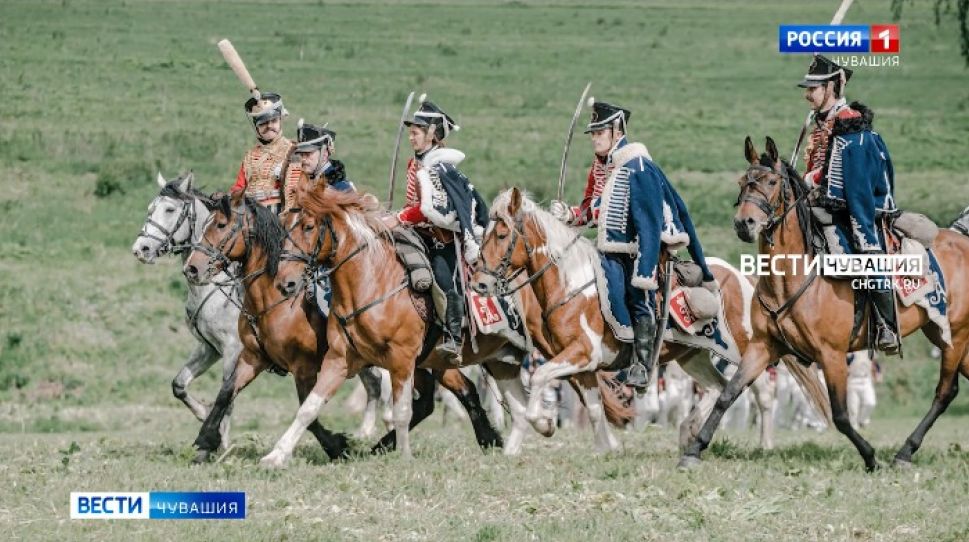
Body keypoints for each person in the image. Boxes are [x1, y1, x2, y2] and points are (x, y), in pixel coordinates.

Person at [549, 100, 715, 390]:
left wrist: (646, 267)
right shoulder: (600, 168)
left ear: (617, 131)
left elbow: (648, 222)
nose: (595, 137)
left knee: (640, 298)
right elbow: (592, 210)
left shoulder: (637, 165)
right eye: (593, 132)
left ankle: (641, 363)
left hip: (640, 249)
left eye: (600, 131)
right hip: (607, 248)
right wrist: (570, 214)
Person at [798, 57, 900, 353]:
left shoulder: (849, 122)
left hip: (855, 202)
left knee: (866, 250)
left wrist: (814, 181)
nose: (807, 94)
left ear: (831, 87)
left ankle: (886, 324)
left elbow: (849, 177)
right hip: (821, 201)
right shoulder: (821, 120)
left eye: (813, 88)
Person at [391, 96, 489, 364]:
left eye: (416, 132)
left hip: (441, 240)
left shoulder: (440, 167)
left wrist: (399, 216)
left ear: (432, 135)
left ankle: (454, 337)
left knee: (445, 282)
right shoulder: (417, 163)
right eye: (411, 132)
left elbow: (429, 209)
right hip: (417, 234)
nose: (411, 137)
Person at [229, 92, 301, 213]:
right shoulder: (250, 156)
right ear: (256, 128)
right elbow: (239, 187)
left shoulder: (293, 150)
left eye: (273, 121)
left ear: (280, 121)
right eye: (263, 123)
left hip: (280, 215)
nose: (269, 126)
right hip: (250, 215)